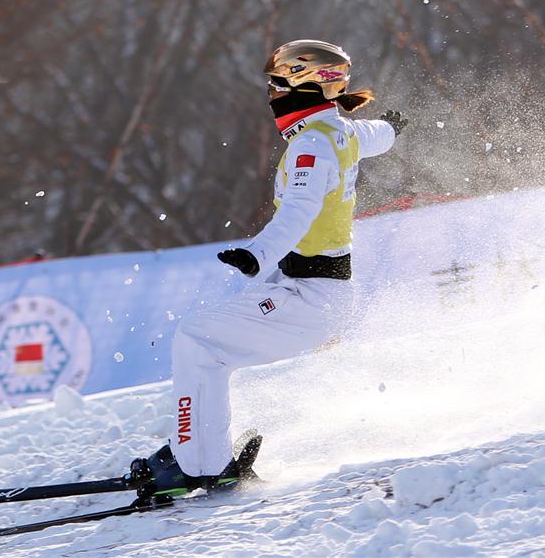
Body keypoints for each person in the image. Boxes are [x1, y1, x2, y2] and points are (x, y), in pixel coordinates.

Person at [130, 40, 407, 496]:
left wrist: (257, 254)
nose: (272, 96)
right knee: (207, 349)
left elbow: (298, 212)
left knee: (197, 340)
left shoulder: (312, 148)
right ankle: (199, 452)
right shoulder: (340, 132)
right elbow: (373, 136)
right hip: (313, 289)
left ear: (309, 87)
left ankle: (199, 465)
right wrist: (392, 131)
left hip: (312, 296)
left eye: (278, 85)